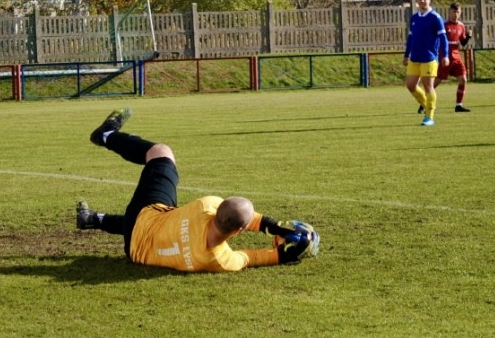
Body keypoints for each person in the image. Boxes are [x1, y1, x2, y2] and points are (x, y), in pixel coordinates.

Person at [76, 109, 319, 271]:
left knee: (161, 154)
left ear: (218, 210)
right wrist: (283, 255)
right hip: (134, 250)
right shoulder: (218, 260)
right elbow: (253, 257)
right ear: (241, 230)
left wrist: (272, 225)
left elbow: (242, 217)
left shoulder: (206, 206)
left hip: (143, 215)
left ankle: (107, 135)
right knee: (163, 222)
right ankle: (93, 219)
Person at [403, 0, 449, 126]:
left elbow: (443, 38)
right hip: (414, 57)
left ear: (430, 0)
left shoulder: (435, 18)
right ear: (416, 2)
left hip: (429, 58)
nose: (422, 1)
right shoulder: (414, 18)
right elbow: (411, 37)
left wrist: (445, 55)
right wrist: (406, 55)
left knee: (428, 86)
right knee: (410, 85)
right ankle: (428, 104)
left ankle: (429, 117)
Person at [435, 2, 472, 112]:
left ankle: (458, 105)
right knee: (437, 81)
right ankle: (424, 103)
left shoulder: (461, 26)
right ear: (449, 12)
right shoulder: (444, 25)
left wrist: (468, 37)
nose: (455, 14)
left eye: (457, 12)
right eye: (453, 12)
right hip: (445, 56)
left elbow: (463, 43)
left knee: (463, 79)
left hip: (456, 57)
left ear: (460, 13)